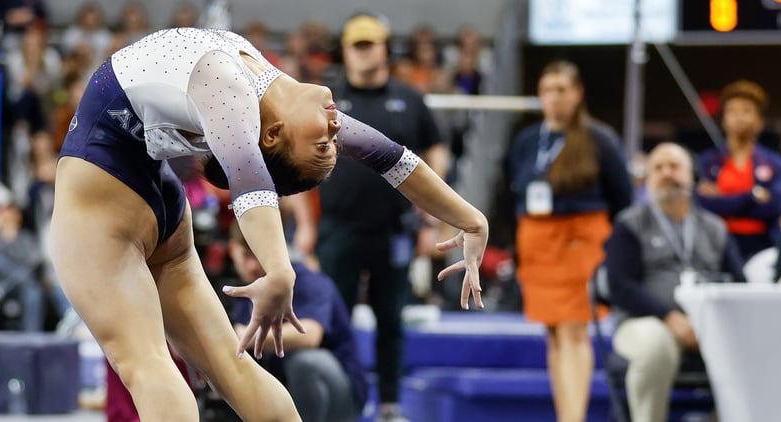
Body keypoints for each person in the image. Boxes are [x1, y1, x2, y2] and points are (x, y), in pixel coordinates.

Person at [49, 27, 489, 420]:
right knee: (230, 366)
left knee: (146, 364)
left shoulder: (232, 92)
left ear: (273, 135)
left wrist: (279, 270)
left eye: (324, 142)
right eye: (332, 141)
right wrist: (471, 219)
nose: (336, 127)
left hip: (104, 185)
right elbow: (391, 157)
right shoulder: (275, 100)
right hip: (155, 190)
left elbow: (251, 182)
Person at [313, 14, 449, 421]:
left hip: (394, 230)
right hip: (339, 228)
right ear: (347, 51)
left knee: (391, 320)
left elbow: (436, 148)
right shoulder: (326, 99)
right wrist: (304, 224)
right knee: (333, 317)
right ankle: (338, 401)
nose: (365, 52)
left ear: (386, 48)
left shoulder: (409, 98)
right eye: (357, 45)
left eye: (371, 44)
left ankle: (389, 404)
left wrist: (431, 210)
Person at [507, 60, 632, 422]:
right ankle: (565, 413)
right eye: (546, 90)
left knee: (576, 331)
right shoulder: (528, 140)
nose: (553, 98)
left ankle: (574, 418)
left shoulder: (600, 139)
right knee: (553, 333)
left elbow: (621, 198)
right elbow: (513, 186)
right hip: (537, 241)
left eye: (561, 90)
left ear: (577, 94)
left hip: (581, 242)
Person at [605, 143, 743, 422]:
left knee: (754, 344)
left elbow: (740, 282)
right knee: (656, 348)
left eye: (675, 166)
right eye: (658, 167)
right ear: (647, 179)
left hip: (710, 325)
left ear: (692, 175)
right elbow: (620, 286)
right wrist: (670, 317)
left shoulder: (714, 227)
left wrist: (709, 320)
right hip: (645, 321)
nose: (667, 173)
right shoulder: (630, 223)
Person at [228, 222, 367, 422]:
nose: (253, 266)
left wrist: (247, 336)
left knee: (304, 362)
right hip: (286, 392)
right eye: (246, 256)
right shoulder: (243, 292)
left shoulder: (309, 281)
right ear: (233, 251)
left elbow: (310, 335)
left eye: (258, 256)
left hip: (340, 393)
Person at [696, 80, 781, 260]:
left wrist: (724, 200)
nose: (739, 117)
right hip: (715, 244)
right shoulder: (708, 161)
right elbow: (703, 205)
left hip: (760, 246)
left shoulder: (772, 162)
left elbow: (774, 206)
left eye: (747, 111)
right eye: (733, 111)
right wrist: (752, 196)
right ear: (723, 120)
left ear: (760, 121)